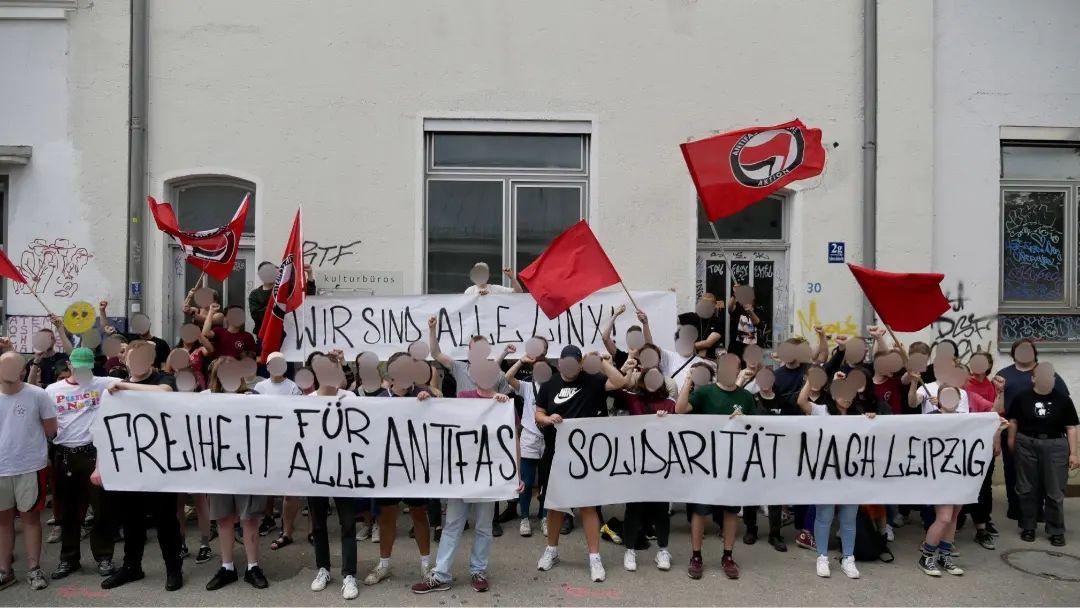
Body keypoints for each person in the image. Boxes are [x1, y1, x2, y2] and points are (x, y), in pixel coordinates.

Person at [95, 342, 184, 591]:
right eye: (135, 358)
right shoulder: (111, 388)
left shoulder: (162, 378)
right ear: (125, 361)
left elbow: (165, 392)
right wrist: (100, 466)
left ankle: (173, 569)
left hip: (160, 462)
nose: (140, 362)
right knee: (130, 519)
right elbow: (104, 428)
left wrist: (123, 386)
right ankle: (131, 567)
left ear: (153, 359)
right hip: (128, 463)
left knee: (165, 519)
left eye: (145, 357)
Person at [411, 381, 514, 594]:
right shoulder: (463, 395)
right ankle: (441, 574)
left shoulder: (502, 403)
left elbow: (513, 437)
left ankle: (479, 571)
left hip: (487, 475)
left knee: (484, 527)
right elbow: (444, 415)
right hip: (461, 474)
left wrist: (515, 474)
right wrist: (427, 401)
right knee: (452, 525)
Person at [535, 346, 626, 582]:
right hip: (556, 454)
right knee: (555, 506)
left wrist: (603, 361)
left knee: (588, 506)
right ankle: (551, 551)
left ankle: (594, 558)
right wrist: (547, 419)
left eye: (575, 364)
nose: (569, 368)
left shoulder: (593, 380)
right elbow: (539, 413)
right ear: (559, 364)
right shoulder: (549, 385)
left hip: (587, 456)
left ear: (580, 363)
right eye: (565, 364)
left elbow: (619, 381)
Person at [46, 347, 120, 580]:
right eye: (78, 367)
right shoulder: (52, 390)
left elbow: (131, 382)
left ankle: (104, 557)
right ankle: (69, 559)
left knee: (102, 510)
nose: (82, 372)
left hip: (94, 453)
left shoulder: (103, 383)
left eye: (87, 368)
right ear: (69, 364)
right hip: (64, 453)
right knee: (68, 512)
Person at [675, 354, 751, 580]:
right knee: (700, 511)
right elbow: (680, 409)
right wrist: (689, 380)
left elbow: (754, 427)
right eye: (725, 366)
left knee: (730, 511)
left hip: (732, 463)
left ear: (739, 370)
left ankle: (727, 555)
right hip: (704, 464)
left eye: (733, 366)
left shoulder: (746, 397)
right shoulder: (705, 392)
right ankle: (696, 555)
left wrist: (743, 420)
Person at [362, 353, 433, 587]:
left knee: (419, 515)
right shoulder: (381, 399)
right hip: (388, 468)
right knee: (386, 518)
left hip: (415, 467)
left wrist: (428, 402)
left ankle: (426, 565)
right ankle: (384, 564)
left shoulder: (424, 395)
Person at [203, 357, 269, 591]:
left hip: (247, 468)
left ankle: (253, 567)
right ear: (217, 376)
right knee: (223, 518)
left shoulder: (253, 398)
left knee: (249, 517)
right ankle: (227, 567)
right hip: (218, 468)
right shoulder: (204, 399)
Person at [795, 370, 868, 579]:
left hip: (851, 474)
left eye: (850, 393)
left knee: (848, 518)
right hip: (826, 473)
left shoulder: (860, 414)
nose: (846, 397)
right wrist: (812, 379)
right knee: (824, 516)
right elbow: (801, 400)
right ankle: (822, 557)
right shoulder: (821, 410)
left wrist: (871, 419)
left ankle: (848, 558)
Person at [305, 353, 361, 600]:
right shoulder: (307, 401)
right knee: (317, 523)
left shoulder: (351, 398)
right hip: (315, 469)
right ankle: (323, 569)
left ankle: (350, 574)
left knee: (348, 522)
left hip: (345, 469)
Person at [0, 351, 57, 591]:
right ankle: (5, 570)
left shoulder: (38, 395)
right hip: (1, 469)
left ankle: (34, 569)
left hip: (30, 466)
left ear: (24, 370)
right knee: (3, 522)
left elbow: (51, 430)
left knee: (31, 519)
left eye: (16, 366)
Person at [996, 338, 1070, 522]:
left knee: (1041, 474)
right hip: (1011, 430)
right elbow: (995, 404)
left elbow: (1062, 401)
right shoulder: (1002, 375)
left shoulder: (1048, 373)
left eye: (1028, 349)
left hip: (1044, 435)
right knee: (1013, 471)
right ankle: (1016, 508)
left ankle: (1038, 510)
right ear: (1013, 353)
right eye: (1019, 349)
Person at [1008, 362, 1079, 547]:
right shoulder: (1021, 397)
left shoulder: (1063, 399)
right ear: (1033, 379)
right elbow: (1014, 421)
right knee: (1026, 488)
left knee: (1055, 491)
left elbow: (1071, 427)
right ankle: (1028, 527)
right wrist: (1011, 441)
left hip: (1055, 445)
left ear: (1054, 379)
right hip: (1026, 443)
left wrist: (1074, 454)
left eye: (1050, 376)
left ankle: (1056, 530)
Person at [612, 367, 675, 572]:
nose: (654, 379)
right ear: (643, 379)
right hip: (636, 463)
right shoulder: (633, 399)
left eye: (658, 376)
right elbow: (618, 385)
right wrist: (628, 370)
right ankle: (629, 550)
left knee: (660, 510)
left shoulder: (670, 403)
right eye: (650, 376)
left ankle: (663, 550)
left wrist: (667, 419)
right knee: (634, 509)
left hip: (661, 464)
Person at [746, 366, 796, 551]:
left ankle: (775, 534)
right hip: (754, 454)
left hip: (777, 455)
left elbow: (793, 425)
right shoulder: (751, 400)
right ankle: (751, 529)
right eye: (762, 378)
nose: (765, 381)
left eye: (768, 378)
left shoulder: (784, 402)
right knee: (751, 494)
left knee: (775, 495)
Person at [503, 347, 551, 538]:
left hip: (549, 437)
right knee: (527, 479)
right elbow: (508, 377)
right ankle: (524, 517)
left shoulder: (554, 386)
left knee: (547, 481)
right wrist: (522, 361)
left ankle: (544, 516)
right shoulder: (526, 386)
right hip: (530, 436)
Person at [964, 351, 1001, 549]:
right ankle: (959, 518)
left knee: (983, 485)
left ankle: (982, 524)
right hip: (962, 446)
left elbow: (995, 414)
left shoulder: (993, 385)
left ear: (988, 365)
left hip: (983, 443)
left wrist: (997, 440)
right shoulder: (962, 385)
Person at [100, 301, 170, 367]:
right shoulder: (129, 339)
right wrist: (102, 311)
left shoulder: (161, 344)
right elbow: (107, 329)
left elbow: (164, 367)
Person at [24, 318, 72, 388]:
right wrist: (36, 363)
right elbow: (29, 386)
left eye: (50, 338)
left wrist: (60, 329)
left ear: (54, 340)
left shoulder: (63, 358)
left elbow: (71, 353)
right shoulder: (32, 362)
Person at [677, 294, 725, 360]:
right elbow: (672, 320)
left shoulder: (718, 322)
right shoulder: (692, 316)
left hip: (708, 360)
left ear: (714, 306)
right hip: (688, 359)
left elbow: (708, 343)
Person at [248, 262, 278, 330]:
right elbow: (256, 316)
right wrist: (273, 305)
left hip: (279, 333)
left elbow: (302, 293)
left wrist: (308, 275)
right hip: (262, 334)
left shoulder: (280, 290)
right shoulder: (255, 294)